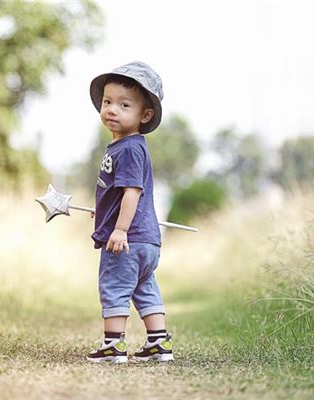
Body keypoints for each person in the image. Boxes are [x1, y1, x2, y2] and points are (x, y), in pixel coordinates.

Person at [86, 61, 173, 363]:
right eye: (108, 101)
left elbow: (132, 192)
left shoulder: (130, 149)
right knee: (144, 286)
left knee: (114, 285)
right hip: (147, 241)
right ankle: (158, 343)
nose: (111, 109)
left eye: (124, 105)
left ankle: (113, 345)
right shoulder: (124, 146)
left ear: (144, 115)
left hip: (128, 238)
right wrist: (102, 213)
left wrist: (119, 229)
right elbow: (116, 194)